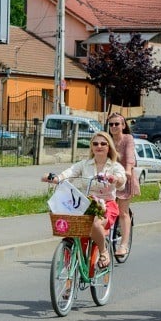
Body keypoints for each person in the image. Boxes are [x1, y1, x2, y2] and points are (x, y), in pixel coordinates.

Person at [41, 130, 127, 269]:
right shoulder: (84, 164)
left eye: (103, 143)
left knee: (95, 224)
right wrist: (55, 178)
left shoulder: (115, 166)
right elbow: (70, 173)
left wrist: (115, 179)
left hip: (107, 205)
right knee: (74, 228)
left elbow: (122, 181)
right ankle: (71, 271)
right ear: (91, 147)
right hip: (85, 204)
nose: (99, 146)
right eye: (95, 143)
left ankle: (104, 250)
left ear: (109, 147)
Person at [107, 113, 139, 258]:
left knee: (122, 211)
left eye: (117, 124)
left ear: (123, 125)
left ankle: (123, 245)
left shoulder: (128, 139)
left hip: (125, 178)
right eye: (111, 124)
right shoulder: (107, 140)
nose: (114, 127)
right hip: (109, 179)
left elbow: (130, 156)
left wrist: (127, 170)